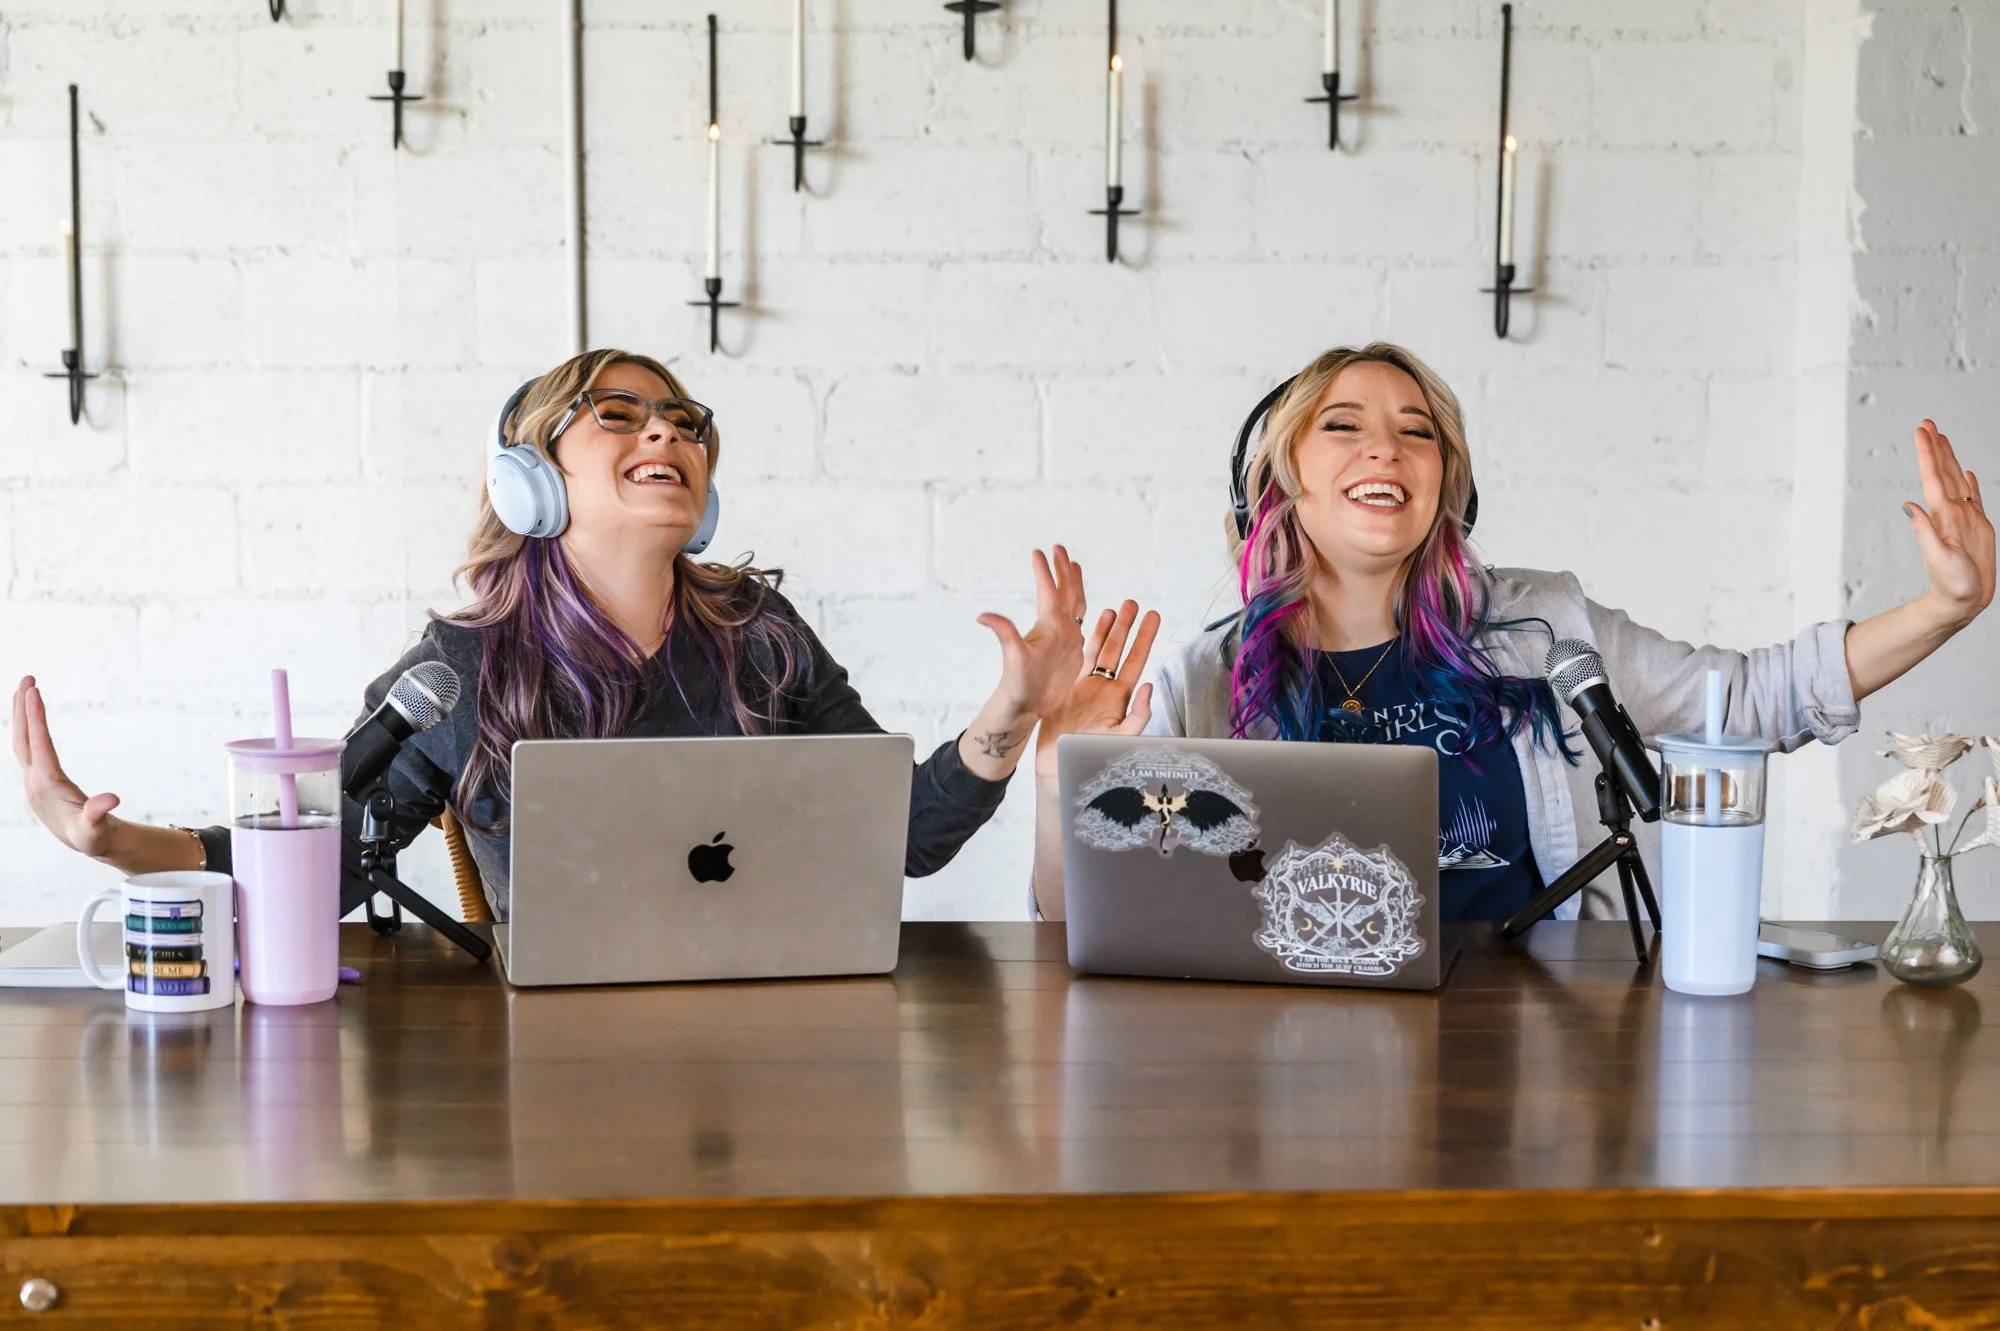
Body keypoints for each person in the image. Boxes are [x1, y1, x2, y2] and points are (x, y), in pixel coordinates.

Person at [15, 349, 1095, 920]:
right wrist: (126, 846)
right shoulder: (460, 666)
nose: (666, 428)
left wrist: (1012, 708)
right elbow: (327, 858)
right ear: (531, 480)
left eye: (683, 419)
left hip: (788, 1016)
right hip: (549, 1048)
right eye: (618, 413)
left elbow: (899, 835)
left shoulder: (761, 633)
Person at [1031, 341, 1995, 922]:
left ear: (1446, 483)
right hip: (1285, 1056)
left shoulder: (1548, 629)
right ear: (1282, 480)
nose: (1387, 445)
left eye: (1419, 431)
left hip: (1543, 1052)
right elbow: (1089, 918)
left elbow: (1749, 698)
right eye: (1344, 425)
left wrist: (1946, 606)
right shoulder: (1209, 674)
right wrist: (1053, 781)